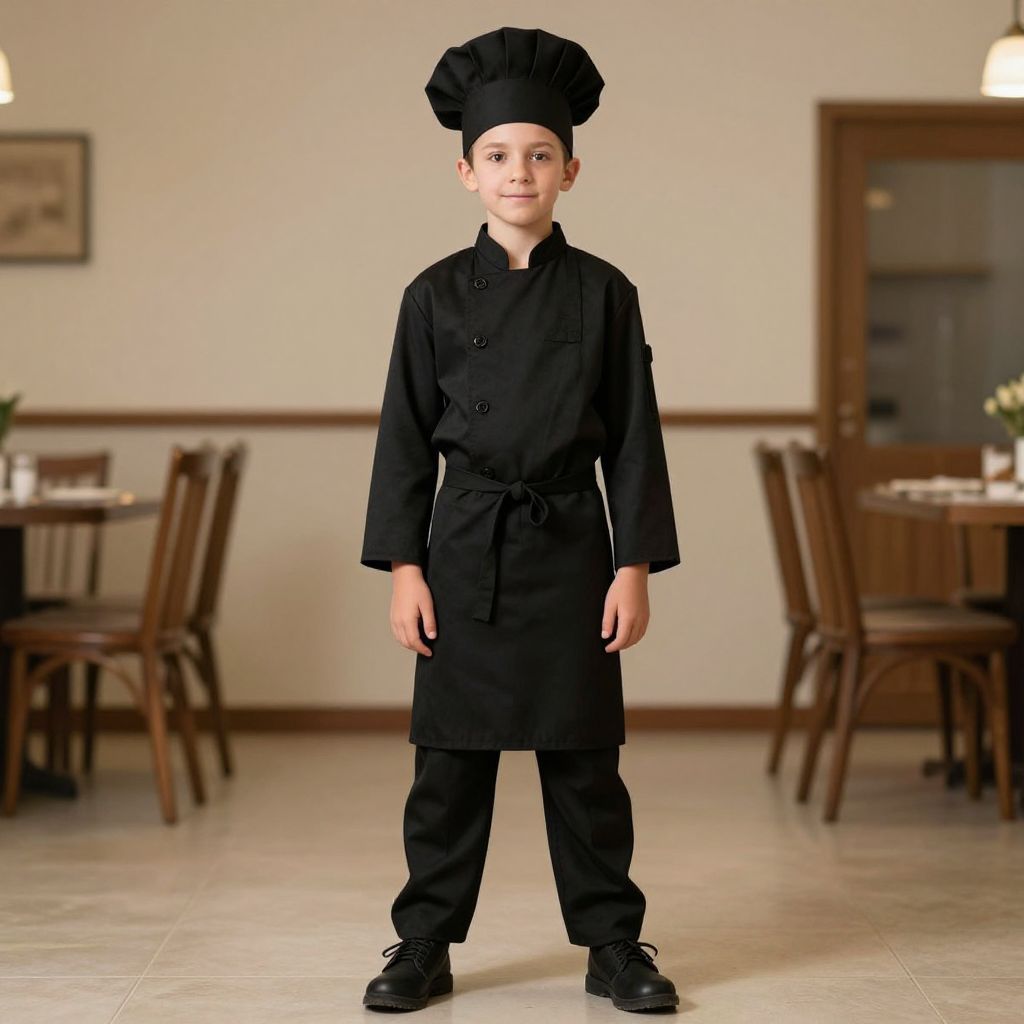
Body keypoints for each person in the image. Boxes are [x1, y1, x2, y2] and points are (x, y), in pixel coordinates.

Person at [359, 25, 681, 1014]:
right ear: (465, 171)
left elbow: (633, 439)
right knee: (448, 765)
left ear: (570, 170)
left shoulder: (607, 292)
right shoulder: (429, 297)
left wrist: (633, 567)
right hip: (464, 548)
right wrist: (405, 569)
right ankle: (423, 942)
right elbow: (404, 440)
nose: (519, 173)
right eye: (497, 156)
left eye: (540, 154)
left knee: (585, 763)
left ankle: (613, 945)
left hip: (572, 545)